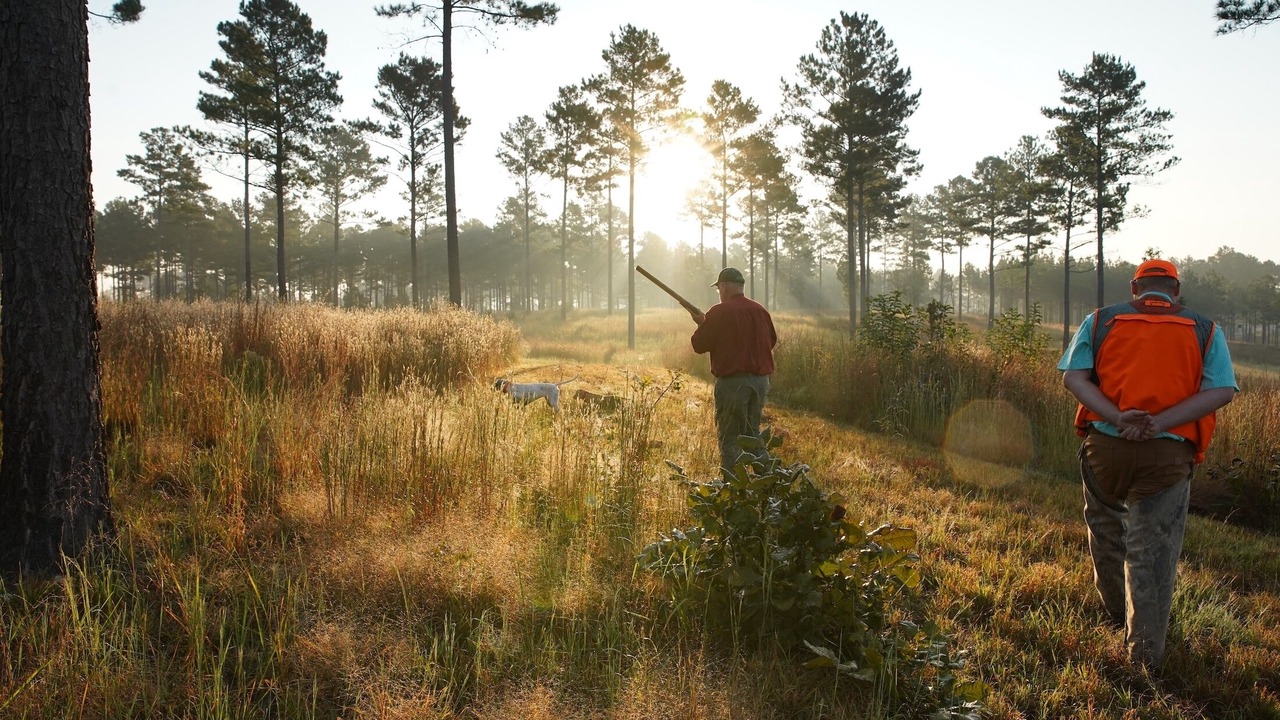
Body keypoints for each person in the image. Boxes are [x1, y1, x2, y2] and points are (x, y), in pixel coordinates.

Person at [1058, 258, 1237, 668]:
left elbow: (1074, 378)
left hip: (1105, 447)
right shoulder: (1206, 330)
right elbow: (1223, 390)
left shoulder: (1102, 320)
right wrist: (1160, 424)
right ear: (1176, 290)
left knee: (1105, 533)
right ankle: (1143, 661)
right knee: (1150, 555)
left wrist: (1118, 417)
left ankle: (1115, 618)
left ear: (1135, 288)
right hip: (1166, 457)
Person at [689, 267, 778, 474]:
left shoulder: (720, 312)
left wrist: (702, 325)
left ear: (725, 286)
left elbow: (699, 345)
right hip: (761, 382)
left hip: (732, 384)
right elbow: (770, 341)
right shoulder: (760, 311)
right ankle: (768, 484)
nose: (719, 293)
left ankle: (733, 490)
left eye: (719, 288)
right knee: (752, 434)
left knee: (730, 437)